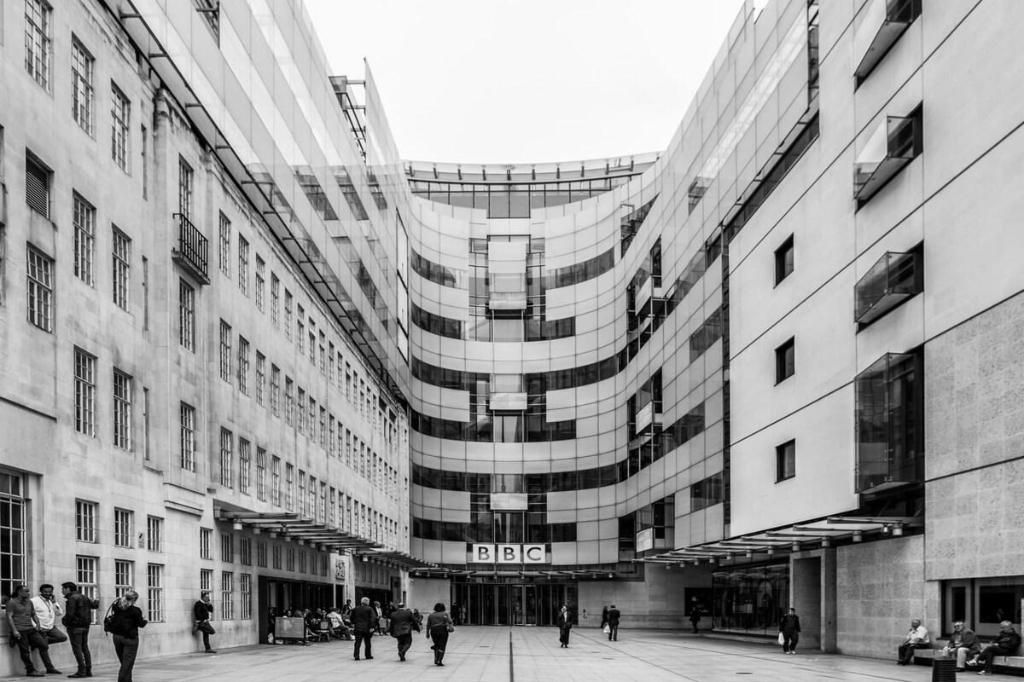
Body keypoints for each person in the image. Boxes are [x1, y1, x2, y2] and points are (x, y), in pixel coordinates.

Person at [6, 583, 58, 677]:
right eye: (26, 591)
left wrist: (38, 624)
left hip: (31, 629)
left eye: (28, 591)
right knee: (25, 652)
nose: (28, 593)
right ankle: (30, 670)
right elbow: (9, 617)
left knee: (43, 645)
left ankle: (31, 643)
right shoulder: (12, 602)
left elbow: (33, 614)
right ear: (19, 592)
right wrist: (14, 631)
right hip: (20, 629)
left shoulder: (29, 602)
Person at [107, 589, 147, 682]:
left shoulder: (116, 607)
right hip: (130, 638)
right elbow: (140, 624)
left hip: (116, 637)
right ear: (134, 600)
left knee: (124, 662)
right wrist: (145, 620)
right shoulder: (135, 610)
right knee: (127, 664)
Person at [62, 581, 99, 678]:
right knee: (84, 648)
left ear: (68, 589)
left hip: (75, 627)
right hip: (86, 626)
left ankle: (81, 671)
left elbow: (70, 614)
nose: (62, 591)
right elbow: (95, 605)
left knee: (77, 649)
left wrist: (64, 621)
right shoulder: (84, 597)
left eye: (63, 589)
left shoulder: (72, 598)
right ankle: (88, 670)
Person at [426, 602, 455, 666]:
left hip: (433, 631)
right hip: (442, 630)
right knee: (442, 645)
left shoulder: (431, 615)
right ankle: (439, 660)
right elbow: (450, 621)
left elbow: (428, 625)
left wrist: (427, 633)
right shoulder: (445, 614)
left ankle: (436, 659)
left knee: (437, 645)